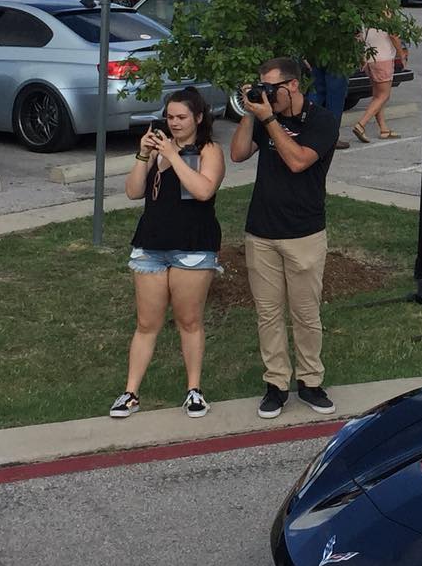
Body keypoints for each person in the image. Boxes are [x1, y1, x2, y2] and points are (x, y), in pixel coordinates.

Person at [230, 56, 337, 419]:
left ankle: (310, 381)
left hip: (304, 232)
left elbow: (298, 161)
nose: (266, 95)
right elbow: (238, 153)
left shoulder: (322, 121)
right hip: (261, 231)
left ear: (293, 85)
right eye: (261, 87)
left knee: (305, 314)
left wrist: (270, 120)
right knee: (268, 314)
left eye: (271, 88)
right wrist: (251, 112)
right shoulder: (262, 116)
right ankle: (276, 384)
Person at [114, 88, 224, 419]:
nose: (174, 124)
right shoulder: (158, 150)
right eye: (170, 117)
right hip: (151, 244)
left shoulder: (209, 150)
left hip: (193, 245)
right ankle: (130, 393)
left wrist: (175, 156)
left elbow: (204, 190)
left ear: (198, 118)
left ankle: (194, 390)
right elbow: (133, 191)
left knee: (188, 320)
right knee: (147, 323)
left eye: (181, 118)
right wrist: (143, 155)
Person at [351, 0, 405, 143]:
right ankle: (361, 124)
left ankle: (383, 128)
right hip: (384, 57)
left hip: (370, 57)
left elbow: (358, 36)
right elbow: (394, 35)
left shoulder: (364, 13)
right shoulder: (387, 12)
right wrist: (401, 53)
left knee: (377, 95)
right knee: (383, 95)